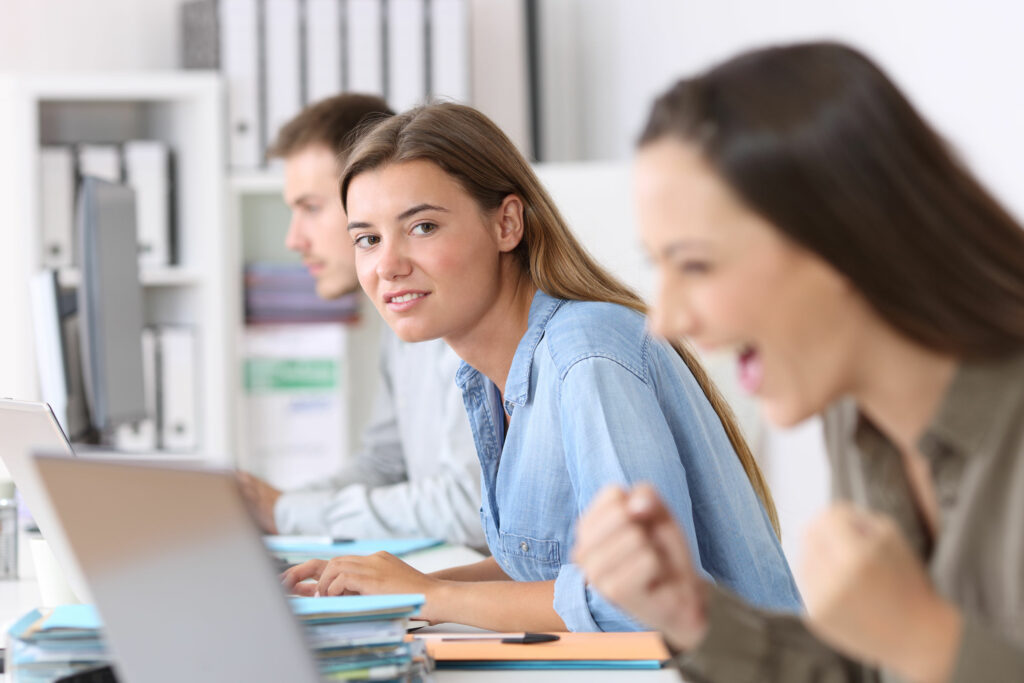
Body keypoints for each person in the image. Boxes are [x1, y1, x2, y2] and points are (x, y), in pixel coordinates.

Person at [572, 41, 1024, 682]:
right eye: (658, 264)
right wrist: (693, 613)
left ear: (847, 238)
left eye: (696, 264)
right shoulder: (856, 412)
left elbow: (916, 651)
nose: (666, 321)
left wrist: (927, 639)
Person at [282, 102, 801, 632]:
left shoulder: (584, 353)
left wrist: (430, 595)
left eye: (422, 227)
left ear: (507, 223)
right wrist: (388, 585)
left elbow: (646, 602)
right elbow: (544, 567)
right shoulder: (488, 376)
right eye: (367, 239)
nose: (387, 265)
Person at [237, 93, 485, 549]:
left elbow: (472, 505)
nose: (294, 239)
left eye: (311, 208)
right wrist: (272, 507)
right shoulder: (404, 321)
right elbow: (386, 464)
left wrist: (287, 512)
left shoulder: (462, 320)